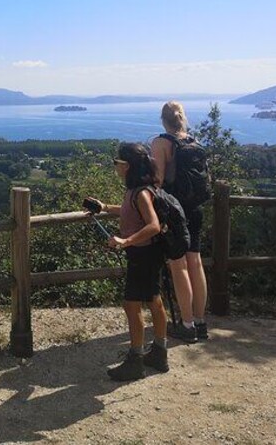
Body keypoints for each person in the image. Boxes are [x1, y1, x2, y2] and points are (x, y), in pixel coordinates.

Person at [86, 143, 170, 381]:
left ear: (127, 166)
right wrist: (103, 207)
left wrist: (126, 241)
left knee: (132, 306)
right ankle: (159, 353)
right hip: (149, 254)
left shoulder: (141, 192)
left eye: (117, 163)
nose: (115, 167)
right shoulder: (140, 190)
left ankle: (136, 360)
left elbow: (152, 225)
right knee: (154, 300)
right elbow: (128, 211)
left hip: (142, 255)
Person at [151, 101, 208, 343]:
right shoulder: (195, 143)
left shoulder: (161, 143)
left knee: (178, 265)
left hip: (175, 210)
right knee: (195, 262)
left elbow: (158, 180)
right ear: (182, 118)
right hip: (195, 209)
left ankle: (186, 325)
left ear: (163, 120)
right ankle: (200, 321)